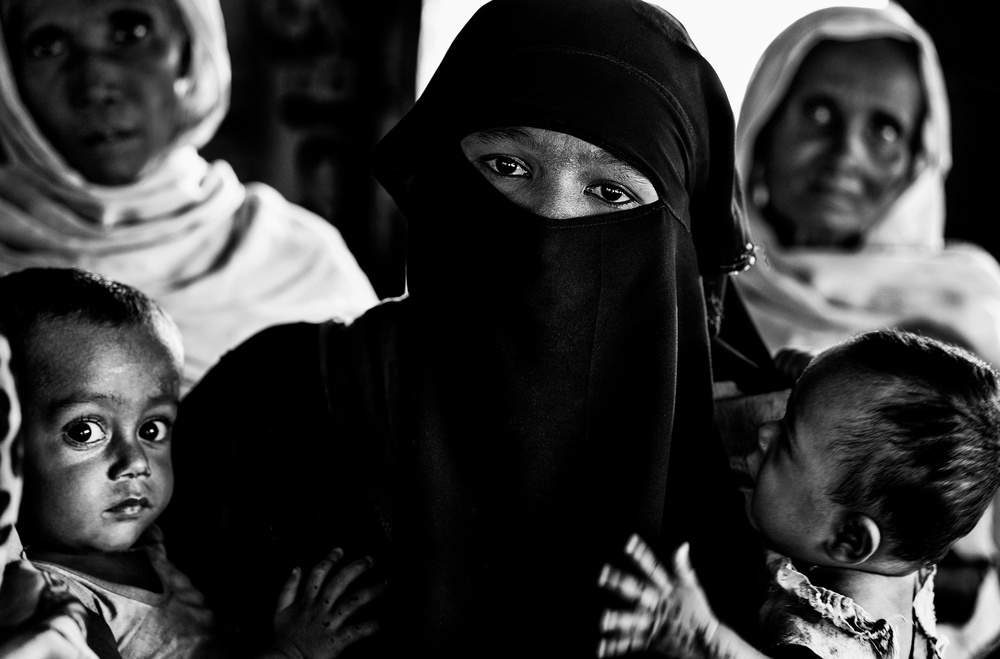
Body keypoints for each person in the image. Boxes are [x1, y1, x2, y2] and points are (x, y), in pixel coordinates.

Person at [161, 0, 764, 656]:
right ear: (439, 178)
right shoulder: (271, 403)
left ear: (669, 248)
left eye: (610, 192)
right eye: (506, 166)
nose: (547, 227)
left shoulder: (756, 475)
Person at [0, 267, 384, 659]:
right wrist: (292, 653)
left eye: (151, 430)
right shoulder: (58, 612)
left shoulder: (151, 544)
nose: (135, 463)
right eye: (84, 432)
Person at [0, 0, 379, 394]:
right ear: (9, 76)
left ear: (189, 50)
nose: (95, 85)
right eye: (47, 46)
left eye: (131, 32)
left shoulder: (299, 258)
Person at [599, 329, 1000, 659]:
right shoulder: (900, 552)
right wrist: (816, 389)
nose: (764, 432)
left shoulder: (840, 642)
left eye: (786, 442)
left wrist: (704, 638)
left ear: (848, 539)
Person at [734, 3, 1000, 368]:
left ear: (915, 163)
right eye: (819, 113)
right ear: (764, 125)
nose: (847, 154)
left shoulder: (972, 305)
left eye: (885, 131)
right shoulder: (697, 295)